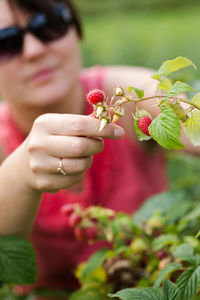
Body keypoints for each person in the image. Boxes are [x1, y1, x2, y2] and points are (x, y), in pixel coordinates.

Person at [0, 0, 199, 297]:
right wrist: (19, 175)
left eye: (49, 25)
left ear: (76, 29)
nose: (34, 51)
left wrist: (187, 110)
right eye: (6, 42)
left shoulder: (122, 92)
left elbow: (162, 98)